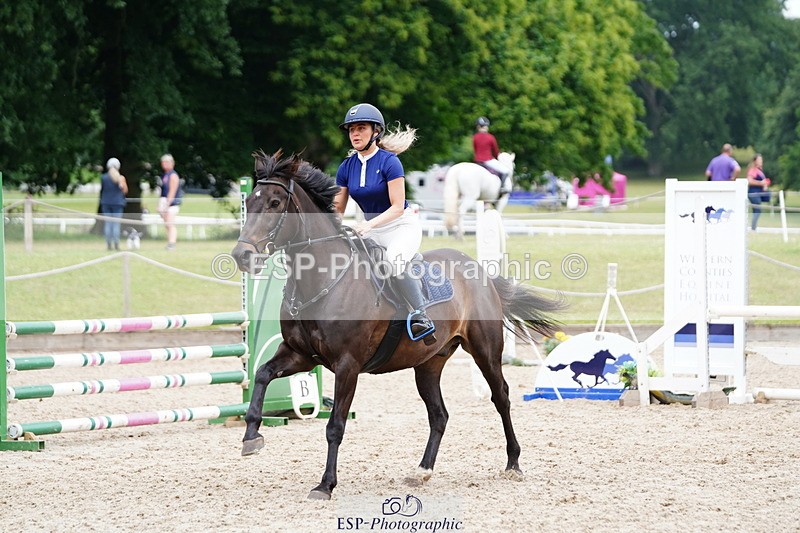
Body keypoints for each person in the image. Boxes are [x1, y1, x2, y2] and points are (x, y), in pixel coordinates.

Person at [333, 103, 436, 344]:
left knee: (392, 262)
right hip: (372, 230)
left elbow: (398, 206)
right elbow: (337, 209)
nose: (355, 134)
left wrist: (368, 226)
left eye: (361, 128)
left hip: (401, 226)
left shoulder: (390, 162)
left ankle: (421, 315)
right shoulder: (346, 167)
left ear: (376, 131)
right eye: (351, 130)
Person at [472, 116, 510, 191]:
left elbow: (475, 150)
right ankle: (502, 188)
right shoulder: (491, 137)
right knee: (505, 171)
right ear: (486, 126)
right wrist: (496, 157)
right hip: (488, 160)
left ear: (478, 127)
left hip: (477, 161)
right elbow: (496, 151)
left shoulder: (474, 137)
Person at [99, 157, 128, 251]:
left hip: (106, 202)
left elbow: (103, 190)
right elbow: (125, 190)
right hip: (117, 203)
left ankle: (108, 244)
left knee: (108, 224)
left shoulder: (104, 177)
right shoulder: (121, 178)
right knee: (116, 224)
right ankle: (116, 244)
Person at [158, 153, 183, 250]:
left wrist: (167, 204)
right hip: (165, 202)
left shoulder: (173, 175)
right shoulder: (165, 175)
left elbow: (172, 191)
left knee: (170, 223)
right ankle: (169, 242)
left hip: (172, 203)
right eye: (163, 162)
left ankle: (172, 243)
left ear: (171, 163)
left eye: (166, 162)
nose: (164, 164)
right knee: (166, 224)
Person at [746, 153, 771, 230]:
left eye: (761, 159)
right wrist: (761, 183)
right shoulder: (753, 170)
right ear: (755, 161)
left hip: (758, 192)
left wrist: (764, 185)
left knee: (757, 210)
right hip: (754, 193)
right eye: (759, 160)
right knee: (757, 210)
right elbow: (749, 181)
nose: (761, 161)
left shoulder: (760, 170)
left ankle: (753, 227)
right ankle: (753, 228)